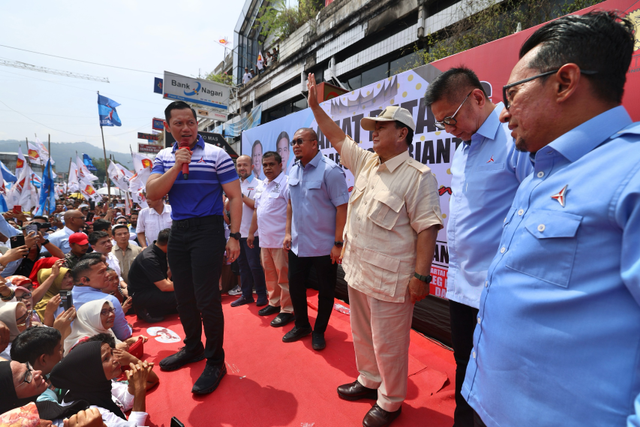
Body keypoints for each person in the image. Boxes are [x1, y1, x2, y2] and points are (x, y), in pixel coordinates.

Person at [461, 11, 640, 427]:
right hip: (488, 406)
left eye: (511, 96)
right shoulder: (539, 172)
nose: (503, 115)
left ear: (564, 82)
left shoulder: (631, 171)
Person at [307, 73, 443, 427]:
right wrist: (314, 107)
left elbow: (427, 229)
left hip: (393, 278)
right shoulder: (367, 162)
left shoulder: (419, 176)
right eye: (373, 127)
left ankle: (392, 400)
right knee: (362, 334)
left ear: (402, 134)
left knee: (390, 343)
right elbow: (337, 137)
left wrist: (420, 276)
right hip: (358, 269)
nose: (373, 132)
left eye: (382, 126)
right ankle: (369, 380)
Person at [425, 67, 533, 427]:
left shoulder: (512, 137)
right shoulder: (463, 146)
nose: (449, 130)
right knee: (462, 363)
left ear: (477, 97)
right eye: (442, 124)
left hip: (497, 287)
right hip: (461, 283)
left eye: (451, 119)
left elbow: (533, 209)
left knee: (500, 375)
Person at [147, 100, 241, 395]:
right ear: (168, 127)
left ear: (197, 124)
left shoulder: (218, 155)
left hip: (209, 231)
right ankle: (193, 347)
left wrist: (234, 235)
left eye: (190, 122)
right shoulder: (163, 157)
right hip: (179, 231)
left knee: (207, 297)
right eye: (179, 123)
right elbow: (153, 193)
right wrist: (177, 164)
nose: (185, 128)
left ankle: (216, 360)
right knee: (184, 296)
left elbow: (235, 197)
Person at [282, 128, 349, 350]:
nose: (295, 146)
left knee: (326, 291)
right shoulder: (294, 170)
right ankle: (302, 325)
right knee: (295, 287)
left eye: (300, 141)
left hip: (324, 245)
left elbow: (342, 208)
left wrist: (338, 243)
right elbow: (290, 203)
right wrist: (288, 232)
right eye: (293, 142)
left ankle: (319, 330)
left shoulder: (330, 171)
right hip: (298, 245)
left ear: (314, 143)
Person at [50, 340, 153, 426]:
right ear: (91, 371)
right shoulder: (88, 411)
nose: (116, 359)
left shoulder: (93, 385)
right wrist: (139, 389)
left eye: (112, 353)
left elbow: (123, 403)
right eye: (106, 359)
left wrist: (133, 386)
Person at [247, 151, 293, 327]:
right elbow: (257, 211)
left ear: (281, 165)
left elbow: (292, 210)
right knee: (270, 275)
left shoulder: (286, 183)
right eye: (265, 165)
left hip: (281, 240)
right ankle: (274, 303)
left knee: (284, 278)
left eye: (271, 164)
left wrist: (288, 233)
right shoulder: (262, 185)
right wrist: (252, 233)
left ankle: (288, 310)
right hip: (264, 240)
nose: (267, 168)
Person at [229, 155, 267, 308]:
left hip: (254, 234)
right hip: (238, 234)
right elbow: (228, 206)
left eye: (244, 165)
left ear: (252, 166)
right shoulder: (234, 184)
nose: (241, 168)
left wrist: (240, 196)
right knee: (242, 266)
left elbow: (256, 206)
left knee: (254, 265)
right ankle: (246, 295)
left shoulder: (260, 184)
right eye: (239, 165)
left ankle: (262, 294)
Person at [70, 258, 132, 341]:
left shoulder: (60, 300)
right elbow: (123, 335)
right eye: (101, 272)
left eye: (106, 270)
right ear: (84, 280)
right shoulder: (109, 300)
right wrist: (128, 327)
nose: (107, 275)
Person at [127, 228, 178, 321]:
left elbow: (165, 278)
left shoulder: (158, 251)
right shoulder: (149, 258)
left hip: (153, 288)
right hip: (141, 295)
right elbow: (165, 287)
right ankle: (146, 310)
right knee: (183, 293)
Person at [63, 299, 142, 356]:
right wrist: (112, 351)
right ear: (90, 318)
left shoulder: (103, 329)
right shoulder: (81, 345)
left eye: (111, 310)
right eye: (104, 312)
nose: (111, 315)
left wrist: (129, 341)